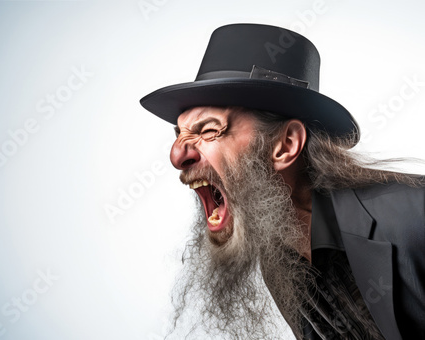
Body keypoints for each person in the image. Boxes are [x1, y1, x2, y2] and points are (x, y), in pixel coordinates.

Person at [140, 24, 425, 340]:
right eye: (179, 135)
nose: (177, 154)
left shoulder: (417, 216)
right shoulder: (281, 263)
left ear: (286, 144)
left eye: (208, 131)